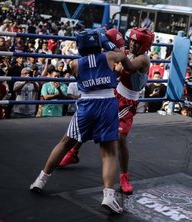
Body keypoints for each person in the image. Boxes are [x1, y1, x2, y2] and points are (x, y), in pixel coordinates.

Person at [30, 28, 134, 214]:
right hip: (107, 104)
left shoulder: (74, 64)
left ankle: (41, 180)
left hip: (86, 105)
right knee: (108, 152)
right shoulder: (109, 56)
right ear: (98, 44)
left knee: (65, 142)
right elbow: (123, 56)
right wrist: (106, 41)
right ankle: (108, 196)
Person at [59, 28, 152, 196]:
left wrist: (109, 45)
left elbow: (128, 67)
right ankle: (73, 153)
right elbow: (117, 69)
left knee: (121, 139)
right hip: (115, 94)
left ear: (145, 45)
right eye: (133, 41)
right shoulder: (126, 52)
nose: (134, 44)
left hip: (128, 103)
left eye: (138, 42)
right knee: (91, 123)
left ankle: (124, 177)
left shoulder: (143, 59)